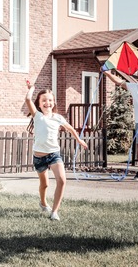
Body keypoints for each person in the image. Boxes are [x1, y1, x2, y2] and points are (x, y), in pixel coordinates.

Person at [25, 80, 87, 221]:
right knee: (44, 184)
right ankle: (43, 203)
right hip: (39, 157)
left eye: (50, 100)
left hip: (54, 154)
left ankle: (54, 212)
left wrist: (79, 140)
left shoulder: (58, 118)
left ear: (54, 103)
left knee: (62, 180)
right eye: (44, 100)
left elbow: (71, 129)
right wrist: (32, 88)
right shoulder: (37, 116)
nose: (48, 103)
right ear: (39, 104)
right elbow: (28, 99)